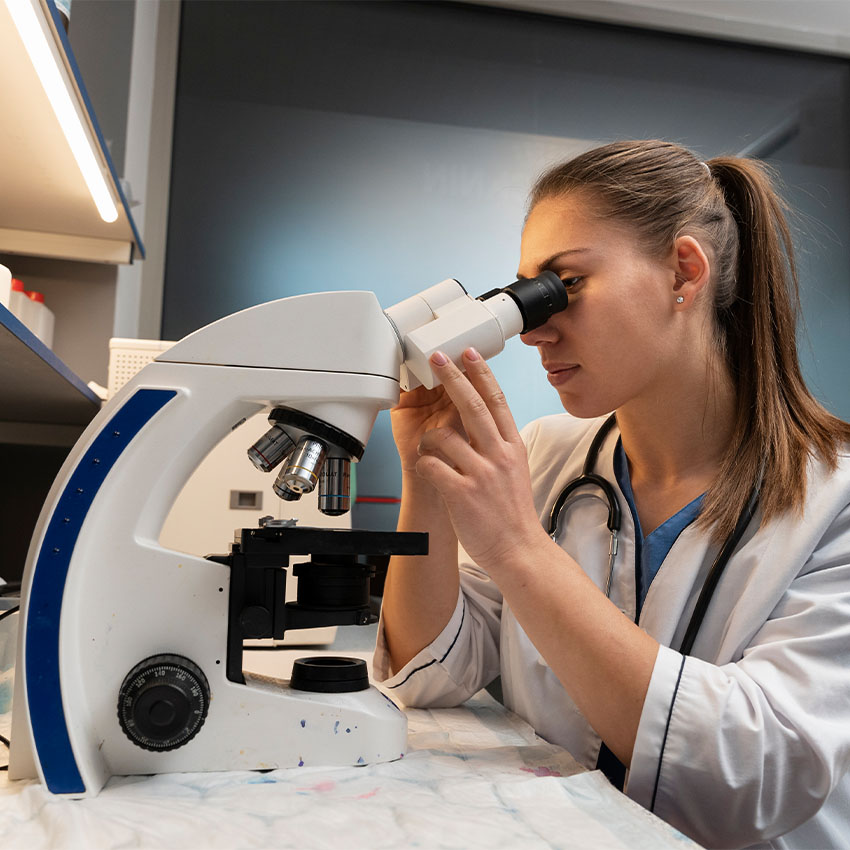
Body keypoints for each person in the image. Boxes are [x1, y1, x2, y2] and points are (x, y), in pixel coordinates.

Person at [372, 140, 850, 849]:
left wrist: (518, 548)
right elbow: (433, 672)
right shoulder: (546, 455)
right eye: (523, 292)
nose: (532, 329)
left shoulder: (834, 498)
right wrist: (426, 478)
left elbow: (751, 773)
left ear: (683, 273)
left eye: (564, 284)